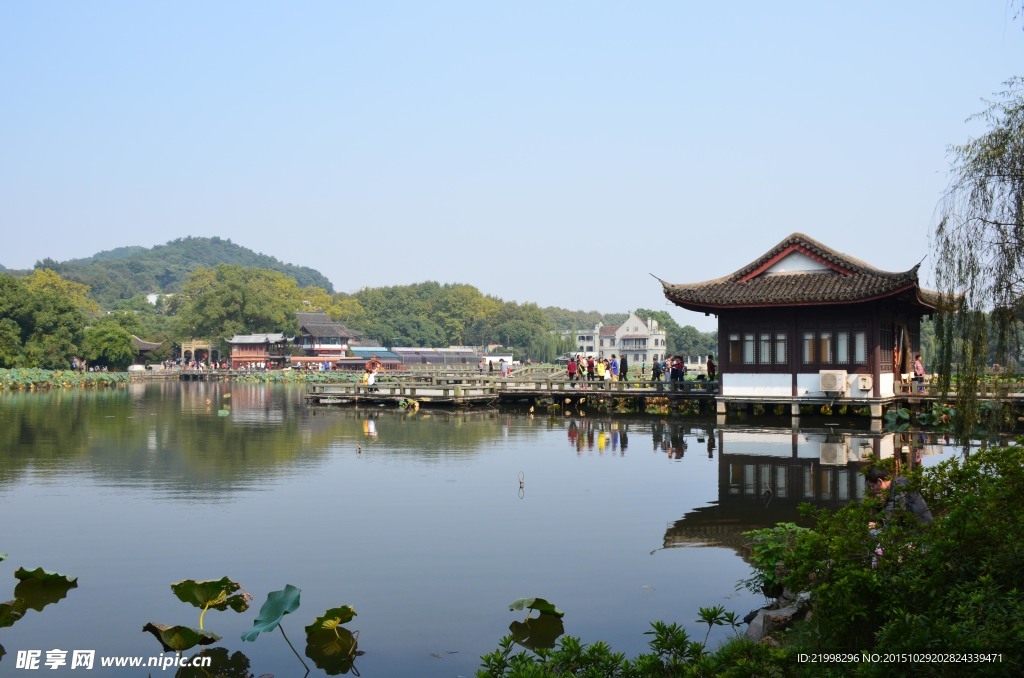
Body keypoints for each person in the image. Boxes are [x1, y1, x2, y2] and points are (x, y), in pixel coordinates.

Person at [865, 467, 933, 526]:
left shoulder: (900, 485)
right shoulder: (895, 485)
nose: (873, 489)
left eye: (872, 486)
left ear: (879, 481)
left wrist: (879, 524)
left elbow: (895, 509)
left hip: (920, 531)